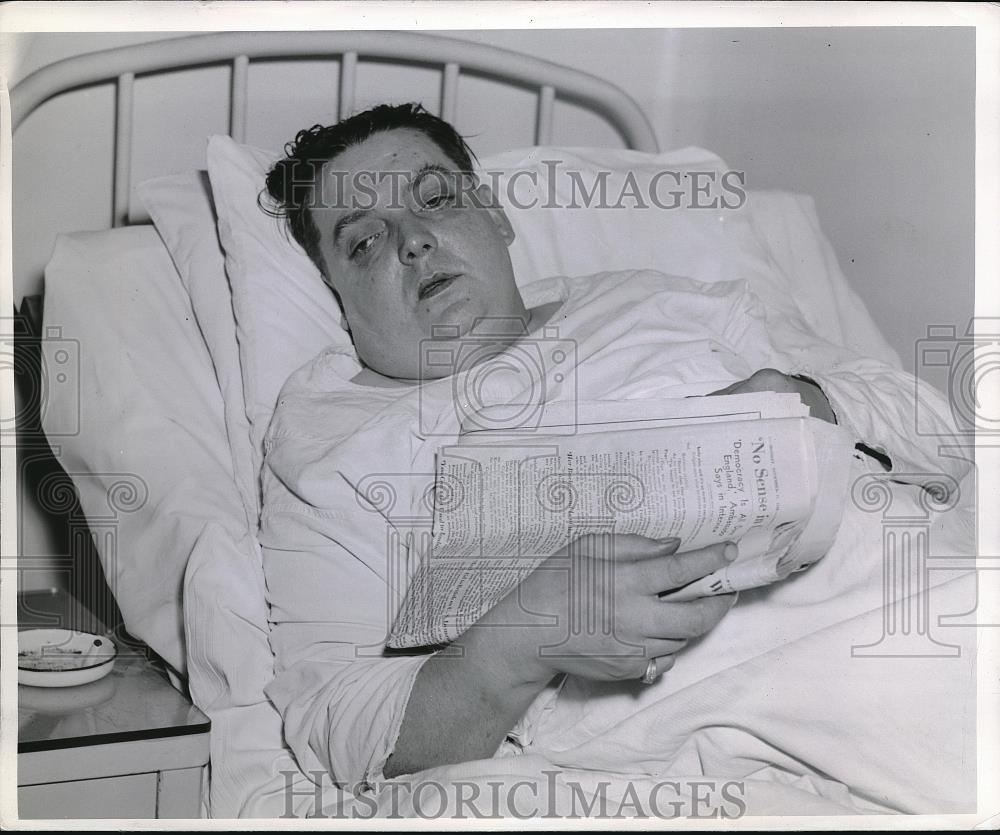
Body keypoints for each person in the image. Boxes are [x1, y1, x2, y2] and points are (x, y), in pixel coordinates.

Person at [259, 103, 969, 795]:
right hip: (759, 679)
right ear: (338, 298)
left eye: (435, 199)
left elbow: (938, 432)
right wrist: (521, 638)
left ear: (497, 216)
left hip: (920, 573)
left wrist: (807, 400)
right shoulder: (330, 446)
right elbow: (345, 723)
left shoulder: (661, 299)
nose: (411, 240)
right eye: (364, 242)